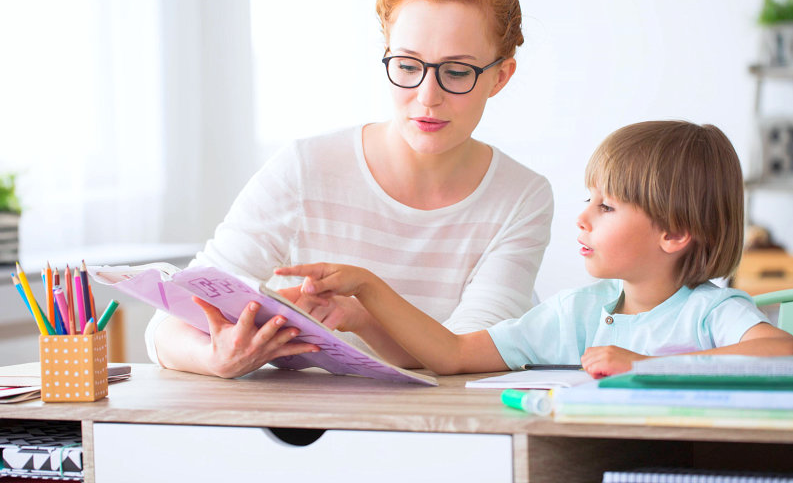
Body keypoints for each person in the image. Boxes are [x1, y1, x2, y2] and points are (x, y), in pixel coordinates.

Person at [145, 0, 553, 378]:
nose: (427, 96)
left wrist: (364, 311)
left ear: (501, 77)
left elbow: (471, 353)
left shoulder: (521, 196)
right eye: (408, 66)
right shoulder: (306, 169)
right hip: (296, 430)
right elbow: (169, 322)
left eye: (457, 72)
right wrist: (216, 358)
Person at [277, 121, 793, 378]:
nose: (583, 217)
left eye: (607, 208)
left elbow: (781, 351)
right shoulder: (578, 313)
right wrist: (367, 302)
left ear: (674, 234)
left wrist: (641, 366)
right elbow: (451, 355)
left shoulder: (710, 311)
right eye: (588, 200)